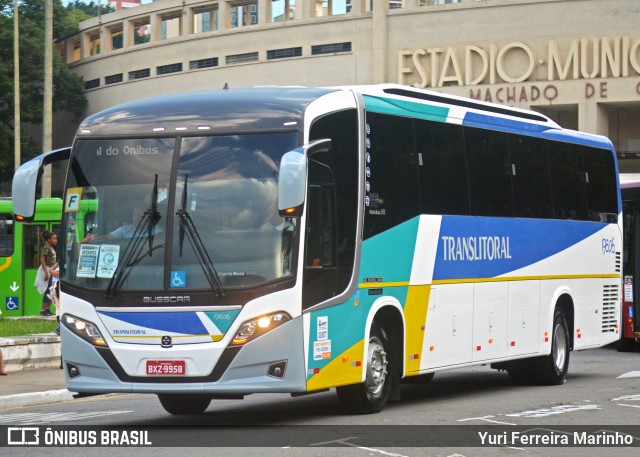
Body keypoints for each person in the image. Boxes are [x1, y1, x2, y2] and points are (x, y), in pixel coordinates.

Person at [83, 206, 160, 242]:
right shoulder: (125, 229)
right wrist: (93, 239)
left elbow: (161, 240)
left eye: (140, 215)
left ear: (148, 217)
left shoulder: (156, 230)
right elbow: (108, 237)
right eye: (135, 214)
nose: (136, 217)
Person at [40, 231, 58, 316]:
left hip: (51, 270)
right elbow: (42, 260)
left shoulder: (51, 248)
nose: (56, 240)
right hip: (47, 270)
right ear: (49, 239)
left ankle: (47, 309)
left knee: (52, 290)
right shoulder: (46, 247)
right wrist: (46, 273)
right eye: (54, 239)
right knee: (48, 290)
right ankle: (43, 310)